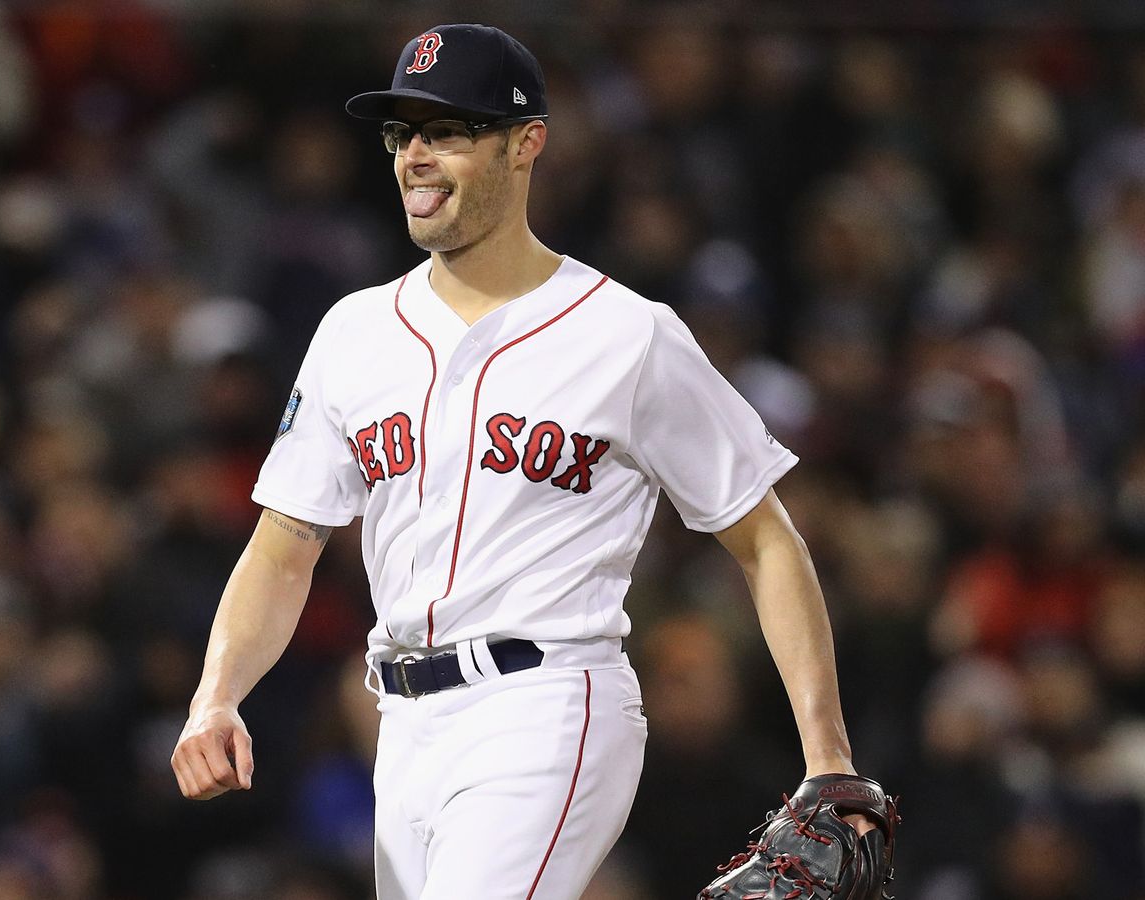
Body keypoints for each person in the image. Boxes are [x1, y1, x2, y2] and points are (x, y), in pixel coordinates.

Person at [171, 23, 871, 899]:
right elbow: (283, 544)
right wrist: (216, 694)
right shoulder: (352, 331)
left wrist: (828, 758)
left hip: (548, 703)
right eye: (403, 133)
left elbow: (765, 539)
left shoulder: (625, 332)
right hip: (400, 723)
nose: (416, 156)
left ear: (525, 143)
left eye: (448, 130)